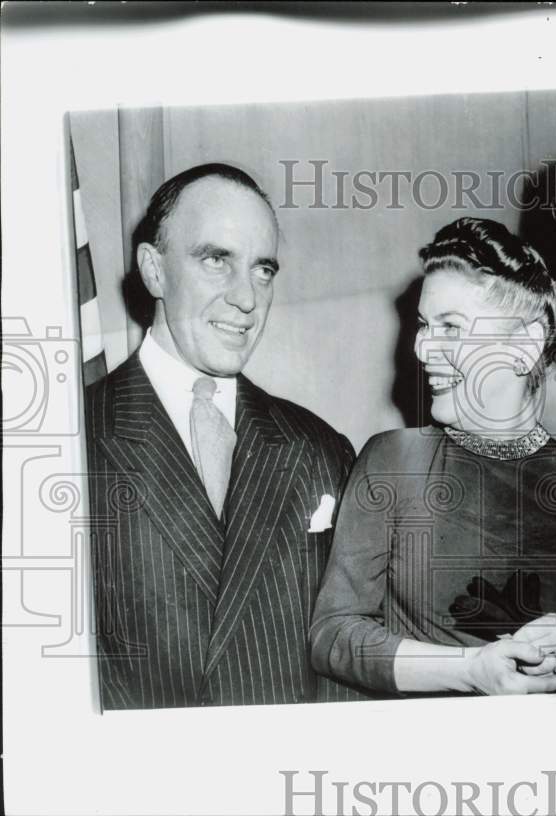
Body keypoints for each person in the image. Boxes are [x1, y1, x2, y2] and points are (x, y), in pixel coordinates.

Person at [85, 163, 357, 709]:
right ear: (154, 271)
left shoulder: (323, 449)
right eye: (217, 260)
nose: (247, 299)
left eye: (263, 270)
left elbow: (348, 662)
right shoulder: (70, 440)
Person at [310, 217, 556, 696]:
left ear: (526, 345)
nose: (422, 349)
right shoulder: (394, 461)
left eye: (450, 328)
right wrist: (468, 668)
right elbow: (332, 635)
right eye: (423, 325)